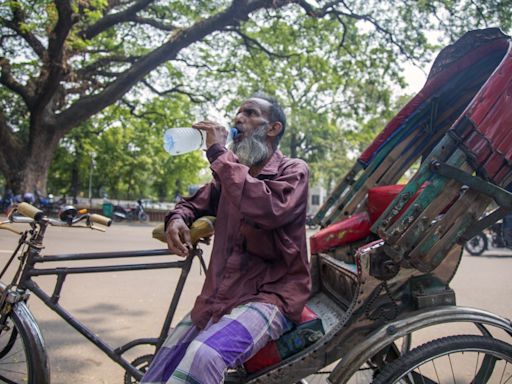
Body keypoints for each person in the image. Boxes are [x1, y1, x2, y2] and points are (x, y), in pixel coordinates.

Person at [141, 94, 311, 383]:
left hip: (269, 296)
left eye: (250, 113)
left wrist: (219, 153)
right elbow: (193, 203)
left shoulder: (293, 170)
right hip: (220, 296)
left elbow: (269, 209)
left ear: (273, 128)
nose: (238, 119)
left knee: (205, 356)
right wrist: (179, 219)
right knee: (163, 364)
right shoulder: (228, 177)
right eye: (237, 113)